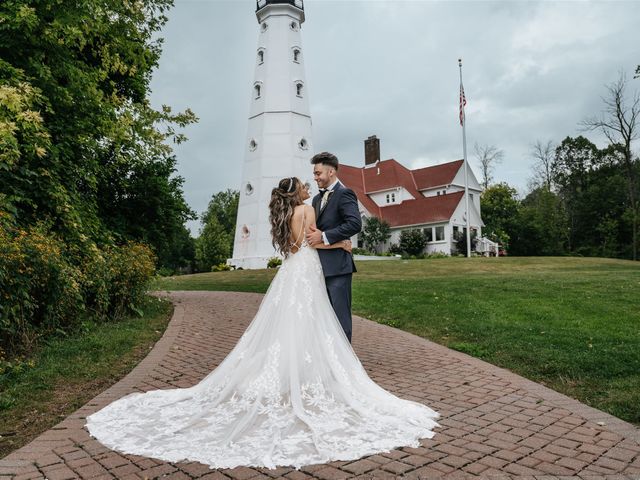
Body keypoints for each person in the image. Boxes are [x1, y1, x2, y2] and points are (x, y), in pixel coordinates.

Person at [85, 177, 439, 470]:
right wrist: (344, 244)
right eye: (302, 185)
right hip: (308, 270)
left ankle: (286, 372)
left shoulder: (283, 216)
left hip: (289, 272)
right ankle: (307, 375)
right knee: (313, 321)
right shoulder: (306, 210)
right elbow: (315, 242)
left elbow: (293, 246)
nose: (306, 187)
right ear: (297, 194)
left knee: (288, 324)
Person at [306, 152, 361, 343]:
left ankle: (344, 364)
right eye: (314, 173)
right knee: (322, 319)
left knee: (339, 318)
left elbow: (354, 224)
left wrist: (325, 236)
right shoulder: (315, 200)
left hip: (338, 267)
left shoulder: (345, 193)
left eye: (318, 173)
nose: (315, 177)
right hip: (318, 266)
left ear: (331, 172)